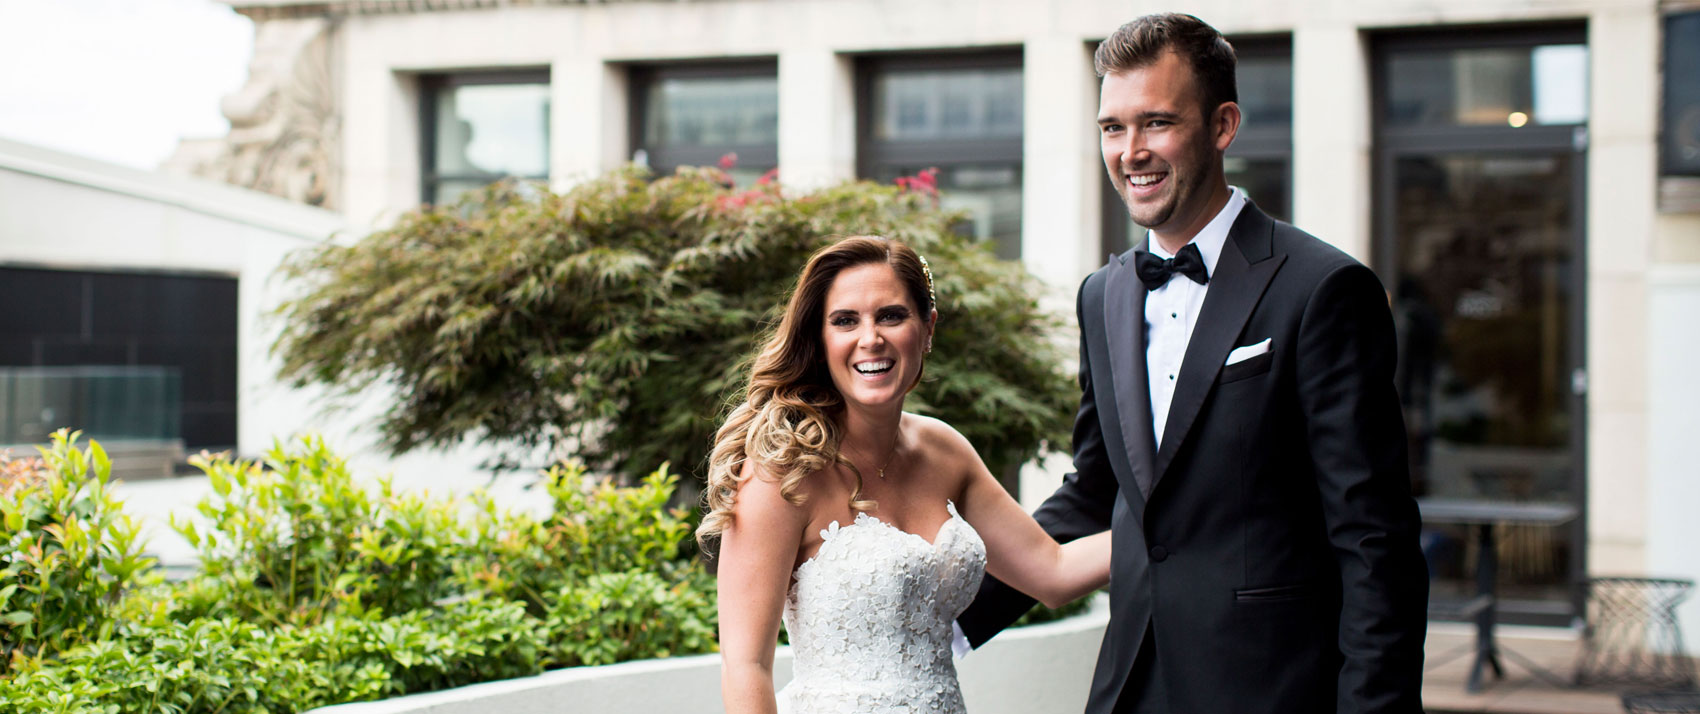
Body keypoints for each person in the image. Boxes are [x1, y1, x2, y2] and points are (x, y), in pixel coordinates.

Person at [954, 13, 1430, 714]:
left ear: (1223, 124)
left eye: (1157, 123)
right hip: (1131, 686)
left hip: (1276, 689)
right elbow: (1097, 491)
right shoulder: (1104, 295)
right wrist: (947, 619)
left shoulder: (1323, 289)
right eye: (1113, 128)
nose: (1131, 151)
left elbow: (1373, 538)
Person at [699, 236, 1112, 714]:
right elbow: (746, 666)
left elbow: (1054, 571)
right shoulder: (782, 472)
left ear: (927, 328)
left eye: (891, 316)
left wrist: (1186, 523)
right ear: (820, 338)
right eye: (845, 321)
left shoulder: (945, 451)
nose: (870, 337)